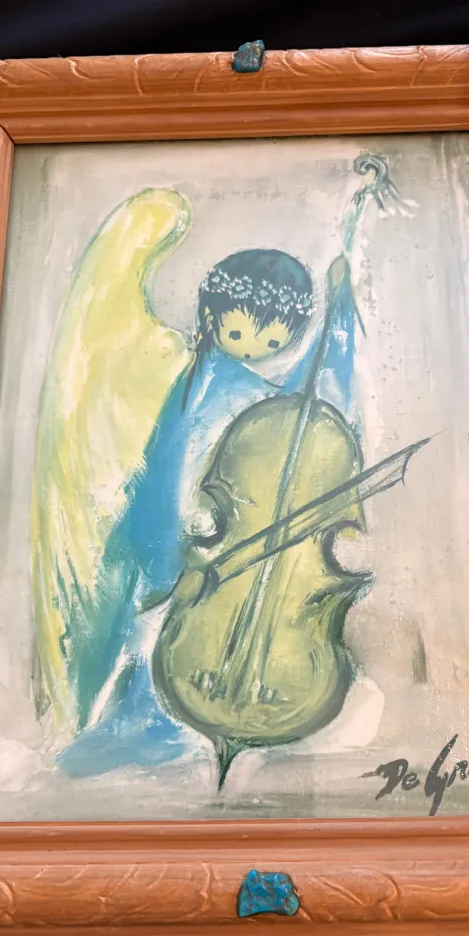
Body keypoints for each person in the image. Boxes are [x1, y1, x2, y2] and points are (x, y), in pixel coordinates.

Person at [56, 245, 361, 777]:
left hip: (198, 542)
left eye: (273, 342)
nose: (255, 349)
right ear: (211, 316)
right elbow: (177, 469)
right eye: (239, 332)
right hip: (177, 538)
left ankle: (160, 723)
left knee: (164, 625)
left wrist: (337, 318)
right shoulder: (206, 384)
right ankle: (145, 723)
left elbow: (295, 404)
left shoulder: (231, 383)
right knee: (153, 628)